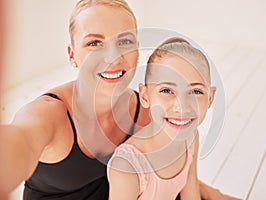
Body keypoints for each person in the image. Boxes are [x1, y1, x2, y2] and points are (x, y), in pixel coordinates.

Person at [0, 0, 239, 199]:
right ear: (73, 55)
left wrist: (214, 194)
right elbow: (18, 144)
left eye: (125, 42)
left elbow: (177, 171)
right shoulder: (47, 114)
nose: (113, 56)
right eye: (95, 43)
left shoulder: (146, 111)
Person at [108, 37, 215, 200]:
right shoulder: (127, 166)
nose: (181, 106)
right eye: (166, 90)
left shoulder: (191, 137)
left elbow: (190, 192)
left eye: (195, 92)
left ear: (210, 98)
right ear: (145, 96)